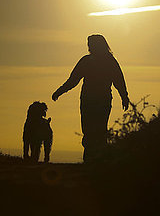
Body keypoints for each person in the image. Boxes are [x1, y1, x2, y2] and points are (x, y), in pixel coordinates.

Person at [52, 34, 129, 162]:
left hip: (99, 100)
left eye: (91, 44)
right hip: (90, 100)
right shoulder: (90, 61)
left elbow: (119, 80)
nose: (89, 46)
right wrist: (60, 91)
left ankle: (98, 160)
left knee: (97, 130)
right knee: (91, 130)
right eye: (89, 44)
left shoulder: (107, 61)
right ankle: (91, 159)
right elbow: (73, 80)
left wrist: (124, 96)